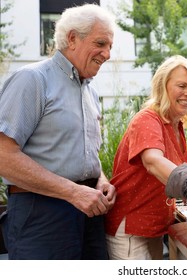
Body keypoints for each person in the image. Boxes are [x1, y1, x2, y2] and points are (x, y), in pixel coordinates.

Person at [0, 4, 116, 260]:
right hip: (42, 213)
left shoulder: (91, 91)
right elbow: (3, 156)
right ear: (72, 38)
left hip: (89, 213)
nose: (107, 54)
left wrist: (102, 180)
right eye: (101, 43)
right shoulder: (32, 79)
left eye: (110, 46)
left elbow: (86, 155)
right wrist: (73, 191)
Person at [105, 55, 187, 260]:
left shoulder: (176, 127)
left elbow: (169, 178)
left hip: (153, 226)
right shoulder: (147, 118)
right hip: (131, 227)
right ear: (162, 86)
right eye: (182, 85)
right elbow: (152, 160)